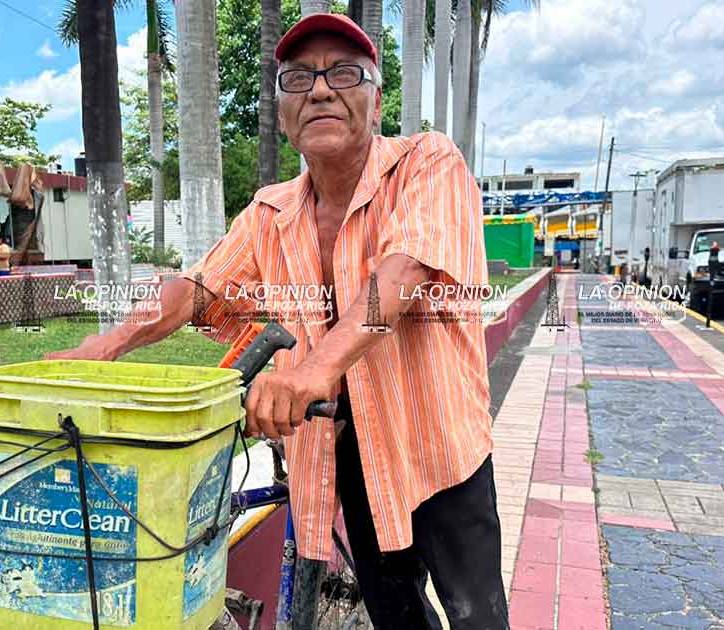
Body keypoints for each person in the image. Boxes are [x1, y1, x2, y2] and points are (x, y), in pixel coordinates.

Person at [45, 13, 505, 629]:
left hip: (439, 443)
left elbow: (399, 278)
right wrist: (108, 344)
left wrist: (311, 372)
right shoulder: (271, 211)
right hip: (354, 452)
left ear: (376, 98)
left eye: (344, 73)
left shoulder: (426, 163)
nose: (319, 90)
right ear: (284, 114)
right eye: (298, 79)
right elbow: (193, 289)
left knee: (477, 616)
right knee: (397, 614)